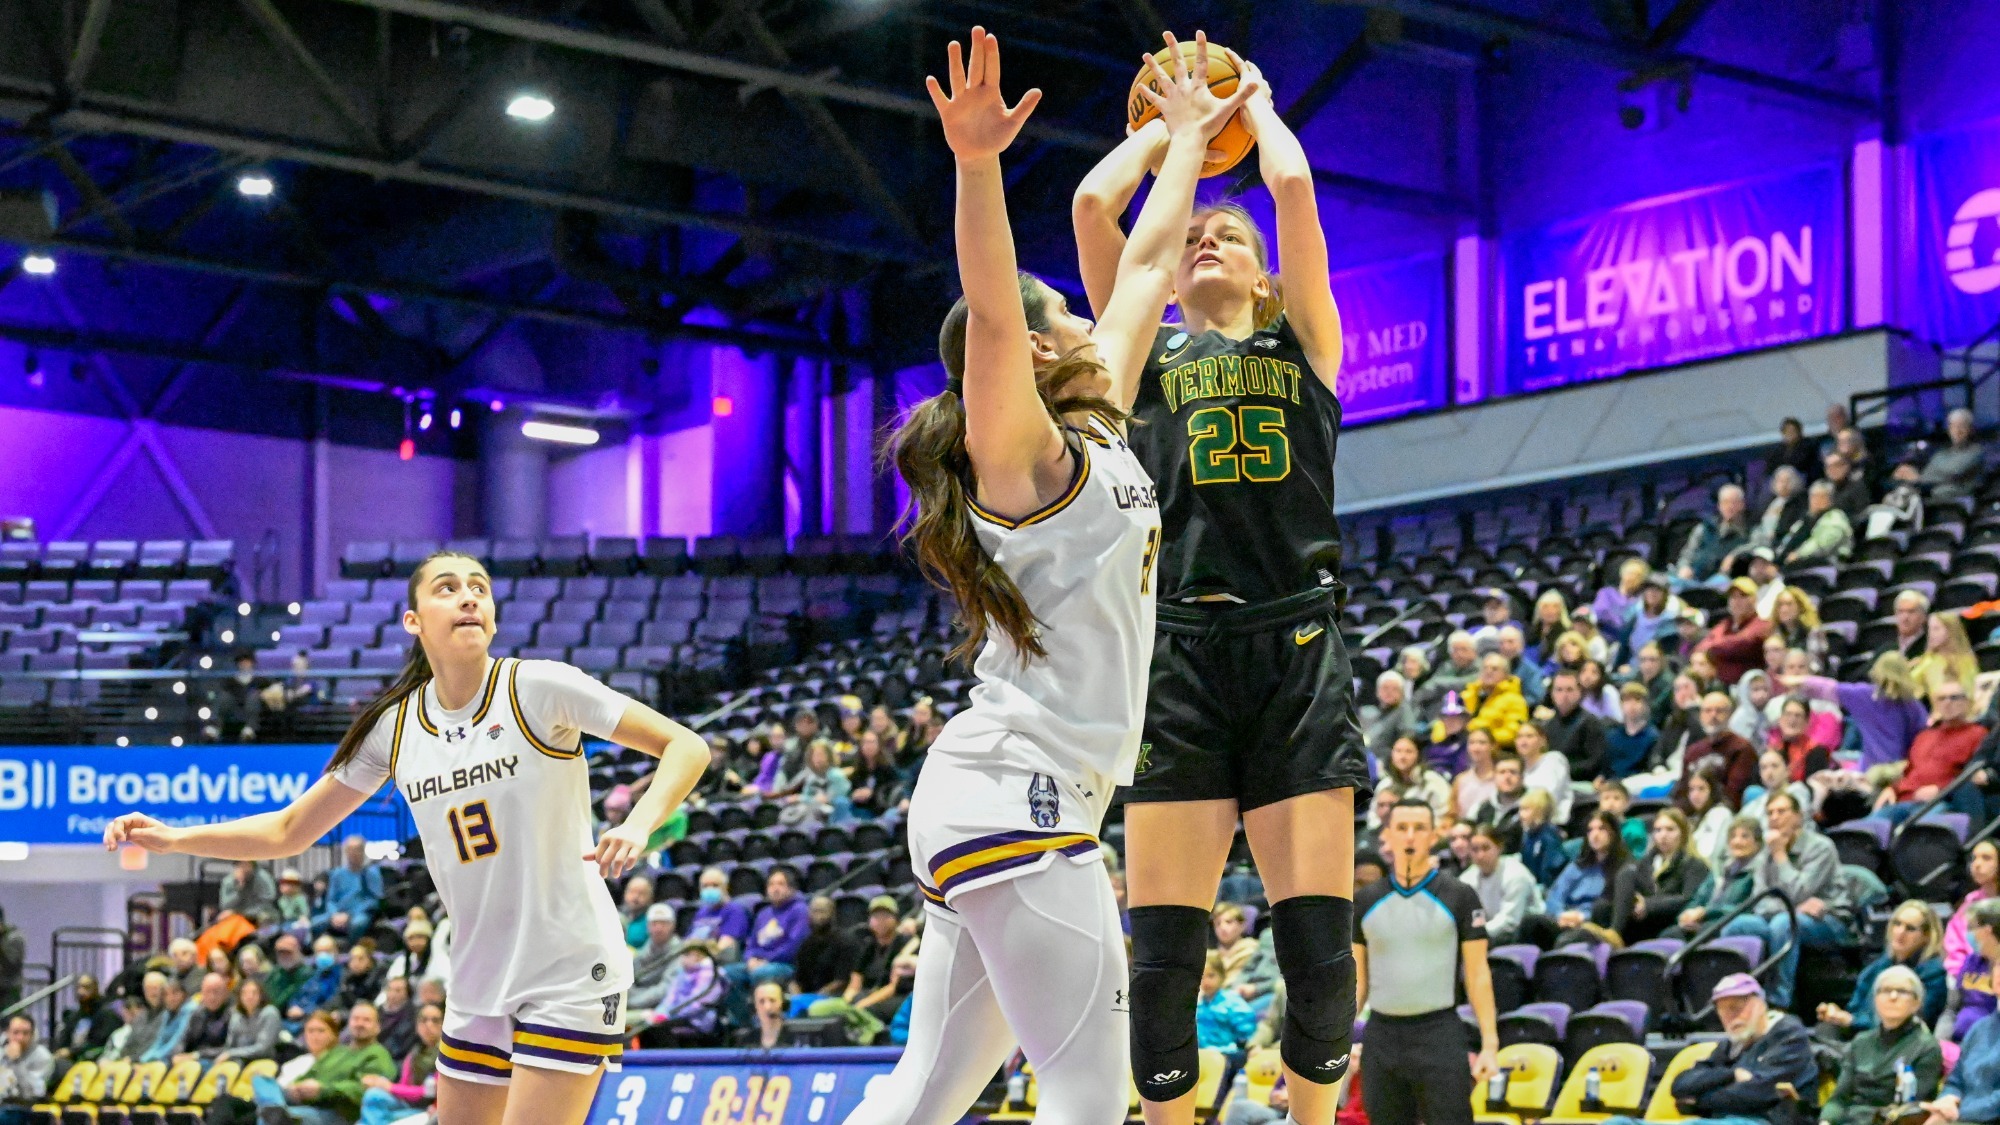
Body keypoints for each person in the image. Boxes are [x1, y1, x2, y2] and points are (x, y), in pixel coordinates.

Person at [845, 29, 1226, 1125]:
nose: (1077, 314)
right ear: (1024, 354)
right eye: (1061, 308)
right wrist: (975, 167)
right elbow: (997, 312)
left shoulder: (1091, 421)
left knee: (927, 1090)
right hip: (1024, 798)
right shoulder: (1016, 454)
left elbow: (1149, 264)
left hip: (994, 799)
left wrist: (1187, 138)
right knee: (1085, 1093)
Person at [105, 548, 710, 1125]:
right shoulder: (395, 728)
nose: (469, 598)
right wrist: (177, 838)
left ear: (494, 617)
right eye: (448, 588)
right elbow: (289, 830)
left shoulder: (540, 687)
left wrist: (637, 822)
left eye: (480, 589)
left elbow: (686, 744)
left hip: (570, 966)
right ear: (414, 620)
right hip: (478, 976)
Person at [1073, 36, 1369, 1124]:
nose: (1204, 236)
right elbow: (1094, 215)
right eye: (1191, 230)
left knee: (1319, 960)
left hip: (1295, 647)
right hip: (1177, 658)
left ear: (1264, 273)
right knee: (1160, 965)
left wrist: (1249, 101)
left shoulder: (1307, 346)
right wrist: (1173, 127)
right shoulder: (1138, 355)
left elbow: (1287, 181)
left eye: (1225, 233)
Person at [1354, 800, 1499, 1125]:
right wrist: (1338, 1040)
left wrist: (1490, 1044)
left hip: (1439, 1035)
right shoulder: (1365, 902)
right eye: (1401, 828)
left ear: (1434, 836)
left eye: (1419, 829)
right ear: (1387, 836)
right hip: (1381, 1038)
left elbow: (1477, 975)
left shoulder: (1460, 896)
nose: (1410, 837)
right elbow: (1357, 984)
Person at [1607, 974, 1815, 1125]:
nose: (1730, 1017)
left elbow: (1757, 1093)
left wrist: (1699, 1101)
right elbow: (1680, 1084)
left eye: (1736, 1007)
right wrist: (1731, 1074)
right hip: (1720, 1120)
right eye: (1722, 1011)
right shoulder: (1729, 1045)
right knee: (1617, 1123)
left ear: (1760, 1005)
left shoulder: (1788, 1035)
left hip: (1764, 1121)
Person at [1720, 790, 1849, 1009]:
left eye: (1781, 811)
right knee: (1737, 926)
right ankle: (1737, 997)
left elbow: (1800, 890)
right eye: (1770, 812)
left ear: (1799, 817)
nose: (1774, 817)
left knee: (1783, 924)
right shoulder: (1765, 853)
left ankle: (1778, 1002)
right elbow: (1759, 901)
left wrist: (1780, 856)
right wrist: (1792, 908)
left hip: (1829, 920)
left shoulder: (1820, 847)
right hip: (1785, 916)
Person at [1820, 964, 1944, 1125]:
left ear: (1916, 1003)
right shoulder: (1860, 1042)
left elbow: (1913, 1109)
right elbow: (1839, 1099)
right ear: (1875, 1000)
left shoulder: (1927, 1047)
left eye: (1902, 991)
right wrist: (1826, 1121)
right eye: (1885, 990)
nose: (1893, 996)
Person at [1817, 901, 1948, 1035]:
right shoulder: (1881, 964)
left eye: (1910, 928)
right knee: (1826, 1028)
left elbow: (1904, 1023)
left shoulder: (1933, 973)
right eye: (1897, 924)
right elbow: (1854, 1008)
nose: (1900, 932)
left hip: (1898, 1043)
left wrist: (1852, 1021)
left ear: (1926, 936)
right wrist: (1836, 1014)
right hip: (1864, 1034)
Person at [252, 1007, 396, 1125]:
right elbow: (308, 1075)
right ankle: (275, 1108)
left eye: (366, 1020)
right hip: (307, 1102)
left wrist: (323, 1090)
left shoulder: (377, 1054)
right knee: (261, 1080)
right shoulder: (337, 1052)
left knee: (269, 1117)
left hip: (336, 1113)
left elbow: (365, 1090)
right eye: (355, 1019)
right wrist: (296, 1087)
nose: (359, 1023)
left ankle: (274, 1110)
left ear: (377, 1027)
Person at [1784, 655, 1928, 772]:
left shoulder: (1865, 695)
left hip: (1872, 771)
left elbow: (1829, 688)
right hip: (1901, 769)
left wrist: (1799, 680)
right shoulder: (1913, 705)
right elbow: (1924, 735)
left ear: (1877, 673)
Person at [1875, 680, 1984, 821]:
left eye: (1954, 697)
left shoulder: (1978, 734)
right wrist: (1892, 788)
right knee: (1864, 830)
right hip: (1904, 799)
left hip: (1942, 802)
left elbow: (1974, 776)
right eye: (1942, 698)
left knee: (1922, 832)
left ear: (1967, 702)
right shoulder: (1923, 736)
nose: (1947, 702)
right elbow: (1909, 772)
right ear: (1935, 704)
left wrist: (1942, 790)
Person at [1535, 810, 1646, 948]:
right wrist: (1561, 914)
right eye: (1590, 830)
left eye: (1601, 829)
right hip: (1566, 920)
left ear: (1614, 833)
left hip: (1594, 926)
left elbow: (1611, 908)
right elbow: (1554, 897)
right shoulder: (1576, 867)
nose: (1595, 835)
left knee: (1569, 939)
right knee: (1531, 923)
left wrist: (1582, 917)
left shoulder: (1625, 868)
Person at [1677, 817, 1763, 938]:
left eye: (1745, 836)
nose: (1737, 841)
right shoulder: (1720, 869)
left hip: (1729, 922)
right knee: (1670, 933)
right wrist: (1686, 915)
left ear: (1758, 843)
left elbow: (1748, 908)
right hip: (1705, 920)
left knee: (1705, 933)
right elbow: (1699, 897)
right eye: (1733, 836)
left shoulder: (1759, 871)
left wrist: (1706, 913)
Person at [1635, 808, 1711, 942]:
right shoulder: (1645, 863)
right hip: (1642, 921)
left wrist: (1648, 905)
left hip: (1672, 922)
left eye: (1670, 829)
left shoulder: (1694, 864)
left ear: (1683, 833)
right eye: (1658, 830)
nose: (1663, 835)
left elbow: (1688, 899)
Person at [360, 1002, 443, 1124]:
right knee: (373, 1097)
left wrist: (389, 1087)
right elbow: (404, 1087)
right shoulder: (413, 1054)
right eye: (423, 1020)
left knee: (374, 1104)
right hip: (408, 1104)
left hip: (430, 1108)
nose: (429, 1025)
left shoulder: (445, 1055)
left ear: (443, 1024)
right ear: (417, 1025)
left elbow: (427, 1092)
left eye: (435, 1020)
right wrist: (380, 1083)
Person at [1462, 824, 1543, 946]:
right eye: (1475, 849)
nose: (1480, 855)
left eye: (1486, 848)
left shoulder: (1516, 875)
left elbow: (1510, 921)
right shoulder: (1467, 878)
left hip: (1525, 934)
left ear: (1499, 847)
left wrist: (1476, 934)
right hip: (1489, 933)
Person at [1680, 691, 1760, 808]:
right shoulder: (1693, 751)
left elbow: (1733, 793)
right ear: (1700, 715)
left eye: (1719, 711)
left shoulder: (1742, 748)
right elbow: (1682, 790)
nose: (1713, 715)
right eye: (1708, 711)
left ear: (1730, 715)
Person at [1694, 578, 1775, 686]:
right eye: (1733, 596)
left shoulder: (1762, 624)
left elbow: (1743, 643)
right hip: (1720, 685)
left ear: (1754, 599)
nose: (1737, 601)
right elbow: (1700, 648)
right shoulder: (1725, 624)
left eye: (1743, 596)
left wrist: (1714, 646)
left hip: (1750, 686)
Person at [740, 868, 811, 987]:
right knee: (730, 973)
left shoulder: (800, 911)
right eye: (771, 885)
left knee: (760, 973)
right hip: (760, 962)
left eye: (781, 884)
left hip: (786, 964)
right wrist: (750, 959)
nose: (775, 888)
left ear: (791, 889)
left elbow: (793, 946)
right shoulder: (763, 913)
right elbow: (751, 944)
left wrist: (766, 960)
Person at [1673, 484, 1751, 589]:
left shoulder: (1750, 530)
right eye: (1725, 502)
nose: (1729, 507)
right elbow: (1688, 554)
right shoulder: (1705, 528)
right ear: (1719, 506)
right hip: (1694, 579)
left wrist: (1734, 555)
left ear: (1742, 505)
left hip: (1724, 582)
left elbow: (1757, 545)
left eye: (1733, 502)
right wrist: (1684, 567)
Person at [1536, 671, 1607, 781]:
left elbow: (1594, 763)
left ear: (1580, 692)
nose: (1564, 695)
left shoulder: (1591, 723)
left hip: (1578, 782)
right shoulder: (1547, 724)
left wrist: (1560, 771)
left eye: (1569, 690)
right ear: (1552, 694)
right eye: (1559, 690)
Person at [1947, 841, 2000, 980]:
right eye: (1974, 858)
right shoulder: (1970, 902)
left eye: (1986, 858)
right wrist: (1963, 974)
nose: (1976, 864)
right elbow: (1954, 944)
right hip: (1972, 977)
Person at [1194, 952, 1259, 1058]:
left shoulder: (1232, 1001)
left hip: (1228, 1053)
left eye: (1211, 976)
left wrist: (1245, 1047)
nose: (1206, 982)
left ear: (1222, 976)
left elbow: (1246, 1031)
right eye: (1202, 977)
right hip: (1204, 1054)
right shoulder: (1200, 1005)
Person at [1377, 736, 1451, 822]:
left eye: (1408, 752)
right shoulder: (1384, 784)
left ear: (1418, 755)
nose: (1402, 756)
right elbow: (1373, 819)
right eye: (1398, 751)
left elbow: (1444, 815)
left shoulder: (1433, 782)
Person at [1782, 479, 1856, 564]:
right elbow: (1789, 539)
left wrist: (1798, 554)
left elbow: (1822, 545)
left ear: (1830, 499)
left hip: (1829, 564)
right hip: (1801, 563)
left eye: (1822, 497)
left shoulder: (1835, 518)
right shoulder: (1805, 520)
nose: (1816, 501)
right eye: (1813, 496)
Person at [627, 905, 685, 1013]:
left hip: (659, 1006)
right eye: (654, 924)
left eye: (664, 924)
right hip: (637, 997)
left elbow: (666, 988)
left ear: (672, 926)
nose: (658, 928)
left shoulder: (679, 952)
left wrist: (630, 1003)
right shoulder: (645, 949)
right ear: (648, 927)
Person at [1513, 722, 1572, 827]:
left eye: (1529, 736)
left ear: (1542, 741)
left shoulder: (1553, 760)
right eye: (1519, 737)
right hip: (1525, 825)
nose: (1523, 741)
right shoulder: (1518, 771)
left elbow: (1549, 797)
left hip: (1553, 824)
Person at [686, 867, 751, 962]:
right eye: (705, 886)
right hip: (697, 962)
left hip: (722, 963)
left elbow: (725, 946)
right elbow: (689, 942)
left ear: (725, 887)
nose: (710, 889)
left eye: (715, 885)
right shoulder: (701, 913)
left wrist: (699, 959)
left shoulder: (735, 911)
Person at [50, 974, 116, 1067]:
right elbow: (64, 1040)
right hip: (70, 1060)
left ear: (95, 989)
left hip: (91, 1060)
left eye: (86, 987)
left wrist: (72, 1052)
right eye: (78, 987)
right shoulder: (74, 1016)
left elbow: (98, 1043)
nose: (81, 992)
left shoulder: (107, 1015)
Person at [1915, 615, 1981, 704]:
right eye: (1929, 630)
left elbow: (1970, 693)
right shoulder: (1928, 661)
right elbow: (1910, 688)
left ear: (1951, 631)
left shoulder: (1965, 661)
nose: (1931, 634)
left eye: (1936, 629)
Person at [172, 971, 236, 1063]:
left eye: (216, 992)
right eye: (208, 991)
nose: (212, 997)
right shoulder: (197, 1014)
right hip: (192, 1062)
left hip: (217, 1062)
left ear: (225, 993)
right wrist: (178, 1054)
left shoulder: (233, 1015)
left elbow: (230, 1048)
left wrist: (197, 1055)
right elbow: (183, 1039)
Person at [1922, 408, 1985, 501]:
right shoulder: (1941, 454)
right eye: (1953, 426)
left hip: (1960, 501)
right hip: (1935, 498)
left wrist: (1927, 478)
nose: (1957, 431)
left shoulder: (1976, 452)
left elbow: (1954, 471)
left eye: (1962, 426)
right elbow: (1925, 476)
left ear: (1971, 429)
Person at [1604, 683, 1659, 780]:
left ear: (1646, 705)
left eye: (1637, 700)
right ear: (1621, 705)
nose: (1632, 705)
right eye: (1627, 700)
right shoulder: (1612, 735)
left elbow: (1650, 769)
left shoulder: (1653, 737)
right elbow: (1605, 766)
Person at [1515, 790, 1567, 887]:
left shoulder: (1550, 836)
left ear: (1539, 812)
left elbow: (1552, 869)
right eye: (1520, 809)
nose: (1520, 815)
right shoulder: (1528, 835)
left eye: (1526, 810)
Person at [1450, 728, 1499, 824]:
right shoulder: (1461, 780)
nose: (1476, 748)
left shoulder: (1500, 778)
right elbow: (1453, 812)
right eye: (1472, 743)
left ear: (1493, 746)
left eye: (1482, 743)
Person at [0, 1015, 51, 1102]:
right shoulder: (2, 1052)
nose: (20, 1038)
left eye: (25, 1033)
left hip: (25, 1108)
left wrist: (16, 1061)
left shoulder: (43, 1056)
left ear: (32, 1035)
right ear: (7, 1033)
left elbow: (32, 1093)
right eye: (15, 1032)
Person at [219, 859, 280, 927]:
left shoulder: (263, 877)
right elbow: (225, 905)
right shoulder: (229, 881)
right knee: (223, 918)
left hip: (258, 914)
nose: (244, 868)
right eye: (241, 864)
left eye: (247, 864)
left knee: (265, 917)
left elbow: (267, 902)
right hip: (237, 915)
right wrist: (239, 888)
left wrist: (244, 914)